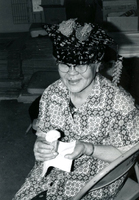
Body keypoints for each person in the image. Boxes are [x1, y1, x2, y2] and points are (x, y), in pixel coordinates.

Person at [13, 19, 139, 200]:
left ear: (97, 64)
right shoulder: (52, 94)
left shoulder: (120, 104)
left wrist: (88, 148)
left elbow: (128, 155)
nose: (71, 73)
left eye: (80, 65)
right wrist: (40, 146)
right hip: (49, 175)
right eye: (64, 64)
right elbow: (44, 134)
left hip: (94, 182)